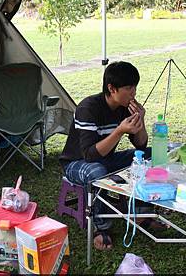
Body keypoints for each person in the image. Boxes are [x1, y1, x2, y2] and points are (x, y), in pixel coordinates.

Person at [59, 61, 164, 251]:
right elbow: (89, 155)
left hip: (105, 159)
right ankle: (101, 227)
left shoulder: (124, 107)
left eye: (135, 87)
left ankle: (141, 214)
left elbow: (140, 144)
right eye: (128, 88)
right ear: (111, 88)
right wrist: (118, 131)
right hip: (77, 162)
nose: (133, 93)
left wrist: (141, 119)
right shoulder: (88, 108)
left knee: (149, 156)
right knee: (97, 170)